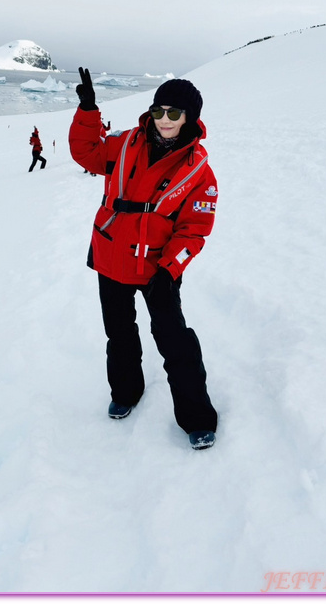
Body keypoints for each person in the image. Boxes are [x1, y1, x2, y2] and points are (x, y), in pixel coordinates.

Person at [69, 67, 219, 450]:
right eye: (158, 111)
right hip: (111, 257)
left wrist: (170, 270)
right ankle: (126, 391)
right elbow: (85, 153)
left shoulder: (199, 172)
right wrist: (88, 111)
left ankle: (197, 418)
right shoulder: (124, 144)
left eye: (174, 113)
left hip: (157, 269)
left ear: (190, 118)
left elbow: (194, 230)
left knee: (174, 343)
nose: (164, 120)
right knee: (118, 333)